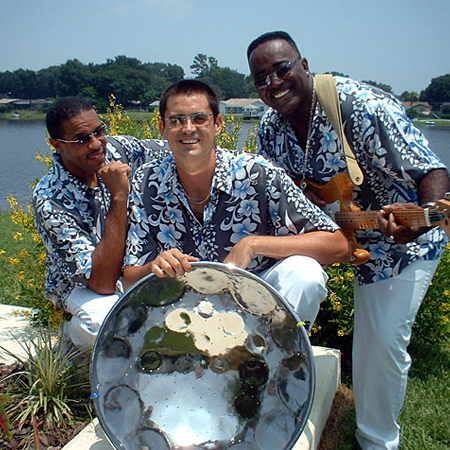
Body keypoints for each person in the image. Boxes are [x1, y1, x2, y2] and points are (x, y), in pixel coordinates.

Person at [247, 30, 450, 450]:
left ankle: (376, 442)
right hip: (335, 239)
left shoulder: (359, 105)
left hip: (402, 244)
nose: (273, 83)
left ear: (304, 66)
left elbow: (431, 171)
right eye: (260, 77)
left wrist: (426, 219)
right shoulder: (269, 127)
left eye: (281, 69)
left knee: (380, 343)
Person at [122, 79, 351, 330]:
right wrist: (154, 267)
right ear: (162, 128)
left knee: (304, 273)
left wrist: (253, 244)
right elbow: (130, 279)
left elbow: (338, 244)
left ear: (218, 124)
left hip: (256, 303)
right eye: (176, 121)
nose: (188, 129)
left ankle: (278, 357)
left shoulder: (257, 174)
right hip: (181, 307)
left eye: (199, 119)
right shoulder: (147, 181)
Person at [33, 96, 170, 351]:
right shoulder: (50, 198)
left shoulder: (120, 150)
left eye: (99, 131)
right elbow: (102, 282)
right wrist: (120, 196)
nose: (96, 144)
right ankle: (73, 343)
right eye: (82, 139)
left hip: (132, 268)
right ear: (57, 145)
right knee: (105, 323)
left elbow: (181, 149)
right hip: (81, 283)